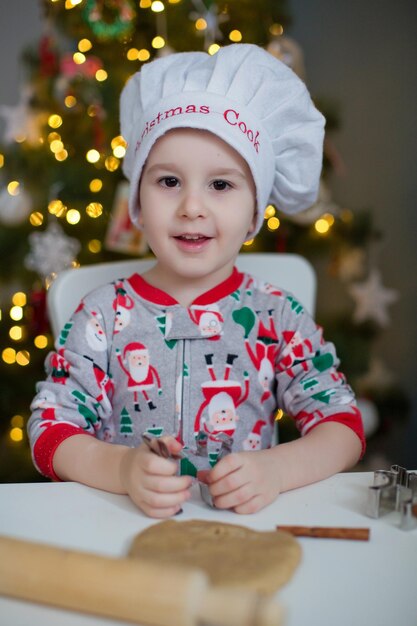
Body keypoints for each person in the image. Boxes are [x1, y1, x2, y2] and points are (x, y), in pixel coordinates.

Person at [28, 44, 365, 518]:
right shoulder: (101, 315)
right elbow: (49, 430)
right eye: (169, 182)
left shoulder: (278, 316)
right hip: (120, 536)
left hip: (244, 543)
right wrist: (121, 469)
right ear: (138, 203)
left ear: (254, 212)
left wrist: (278, 470)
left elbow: (343, 425)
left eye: (221, 185)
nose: (192, 206)